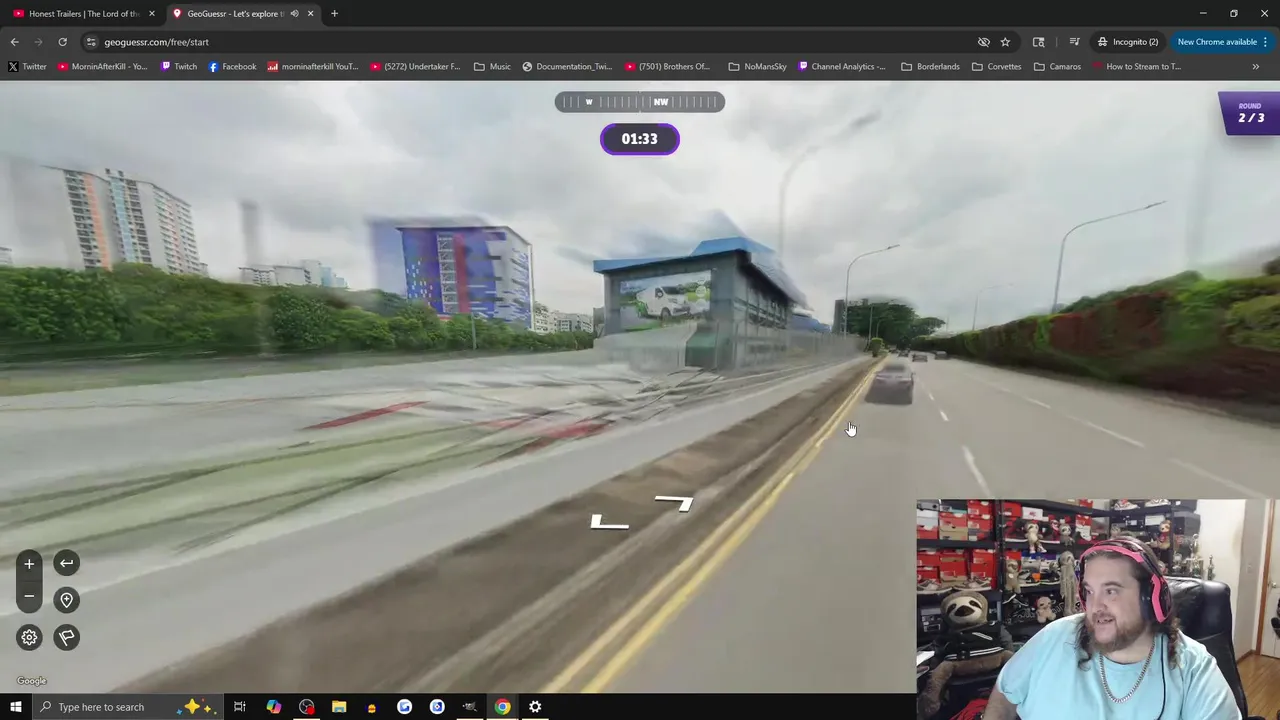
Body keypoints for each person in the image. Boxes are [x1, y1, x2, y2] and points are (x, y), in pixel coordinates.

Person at [982, 537, 1240, 720]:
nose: (1095, 607)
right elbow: (1005, 694)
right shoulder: (1054, 637)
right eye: (1089, 592)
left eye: (1111, 591)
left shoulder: (1193, 667)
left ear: (1151, 597)